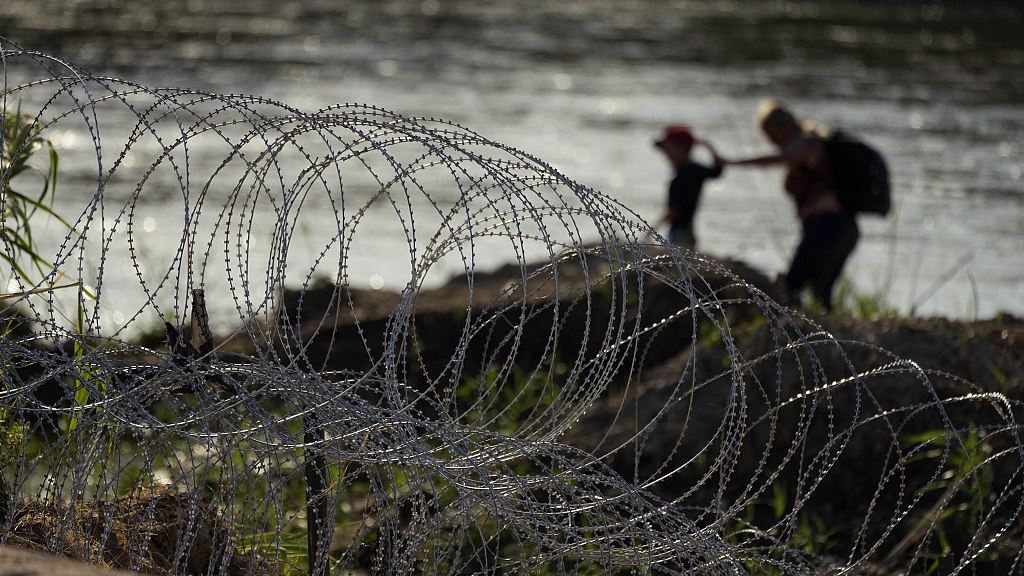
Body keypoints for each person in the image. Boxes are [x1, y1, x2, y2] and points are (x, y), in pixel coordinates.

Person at [727, 100, 858, 312]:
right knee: (820, 292)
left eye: (774, 137)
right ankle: (817, 336)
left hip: (829, 227)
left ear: (786, 126)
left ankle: (795, 335)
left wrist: (729, 162)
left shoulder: (808, 145)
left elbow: (778, 159)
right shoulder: (810, 147)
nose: (774, 143)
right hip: (838, 228)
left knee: (792, 286)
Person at [653, 125, 724, 249]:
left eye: (668, 148)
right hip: (688, 230)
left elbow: (673, 211)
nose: (665, 152)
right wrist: (709, 146)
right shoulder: (696, 170)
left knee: (677, 262)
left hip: (680, 232)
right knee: (684, 263)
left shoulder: (681, 177)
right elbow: (717, 170)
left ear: (682, 149)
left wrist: (652, 230)